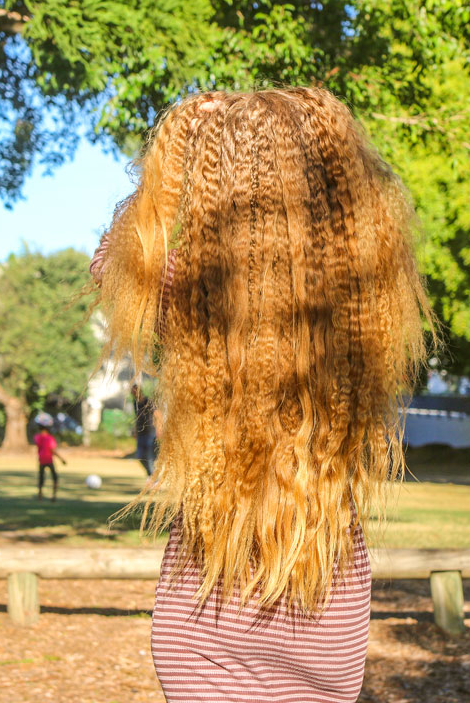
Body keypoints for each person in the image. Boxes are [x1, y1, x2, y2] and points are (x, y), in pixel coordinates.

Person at [90, 89, 431, 703]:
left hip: (206, 595)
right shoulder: (365, 290)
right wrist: (330, 145)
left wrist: (174, 154)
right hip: (323, 598)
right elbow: (376, 211)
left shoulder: (188, 293)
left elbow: (106, 263)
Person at [34, 424, 67, 501]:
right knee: (55, 478)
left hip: (41, 459)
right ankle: (54, 495)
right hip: (49, 459)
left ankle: (40, 495)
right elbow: (52, 450)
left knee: (41, 477)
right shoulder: (50, 438)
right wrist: (61, 459)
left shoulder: (38, 437)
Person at [131, 384, 156, 475]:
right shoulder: (135, 403)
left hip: (150, 432)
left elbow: (156, 414)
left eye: (134, 391)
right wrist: (135, 430)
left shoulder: (147, 401)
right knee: (140, 456)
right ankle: (151, 474)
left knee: (149, 457)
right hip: (140, 433)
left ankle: (153, 478)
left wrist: (159, 428)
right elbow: (137, 417)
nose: (132, 393)